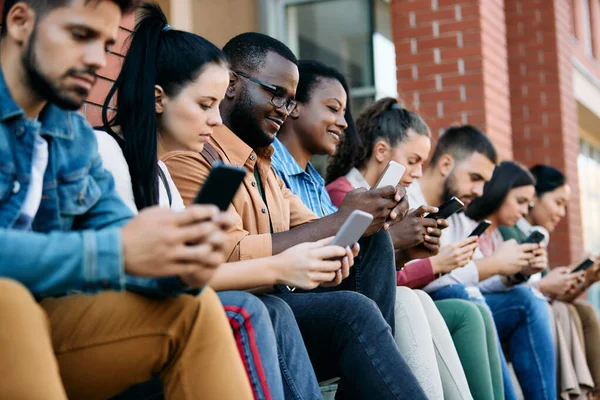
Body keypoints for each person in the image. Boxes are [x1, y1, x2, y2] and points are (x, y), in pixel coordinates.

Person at [96, 5, 357, 399]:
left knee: (272, 308)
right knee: (252, 309)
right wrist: (280, 267)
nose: (216, 120)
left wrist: (288, 265)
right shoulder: (108, 154)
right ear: (158, 99)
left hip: (160, 318)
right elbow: (149, 277)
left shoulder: (161, 175)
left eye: (217, 105)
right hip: (112, 329)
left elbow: (185, 273)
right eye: (205, 105)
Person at [0, 0, 254, 399]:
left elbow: (124, 237)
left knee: (195, 308)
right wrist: (115, 251)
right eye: (80, 35)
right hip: (12, 315)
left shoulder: (71, 135)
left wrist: (180, 261)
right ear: (20, 22)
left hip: (43, 327)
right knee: (8, 301)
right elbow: (114, 249)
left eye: (105, 44)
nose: (96, 60)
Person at [164, 32, 428, 400]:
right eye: (276, 94)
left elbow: (309, 225)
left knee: (373, 247)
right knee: (352, 311)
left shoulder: (265, 164)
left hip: (276, 298)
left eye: (290, 102)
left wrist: (364, 224)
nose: (283, 110)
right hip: (238, 306)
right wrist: (340, 221)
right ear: (233, 85)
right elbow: (226, 253)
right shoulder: (191, 156)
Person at [322, 96, 503, 400]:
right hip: (361, 307)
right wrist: (433, 263)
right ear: (381, 151)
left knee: (454, 306)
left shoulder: (389, 201)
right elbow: (364, 271)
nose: (419, 173)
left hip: (377, 303)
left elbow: (384, 267)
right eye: (413, 160)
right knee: (434, 301)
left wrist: (410, 252)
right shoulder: (345, 196)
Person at [409, 129, 556, 400]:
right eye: (475, 178)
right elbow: (441, 274)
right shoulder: (409, 202)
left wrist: (516, 271)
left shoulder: (453, 214)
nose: (478, 191)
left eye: (484, 183)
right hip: (421, 306)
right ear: (445, 165)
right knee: (466, 296)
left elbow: (475, 273)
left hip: (457, 303)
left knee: (522, 298)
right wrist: (495, 265)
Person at [499, 165, 600, 398]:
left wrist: (585, 280)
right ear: (536, 198)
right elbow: (537, 289)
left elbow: (548, 290)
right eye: (558, 203)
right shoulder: (511, 232)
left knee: (581, 310)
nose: (562, 213)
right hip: (519, 308)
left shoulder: (532, 234)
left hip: (534, 304)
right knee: (568, 311)